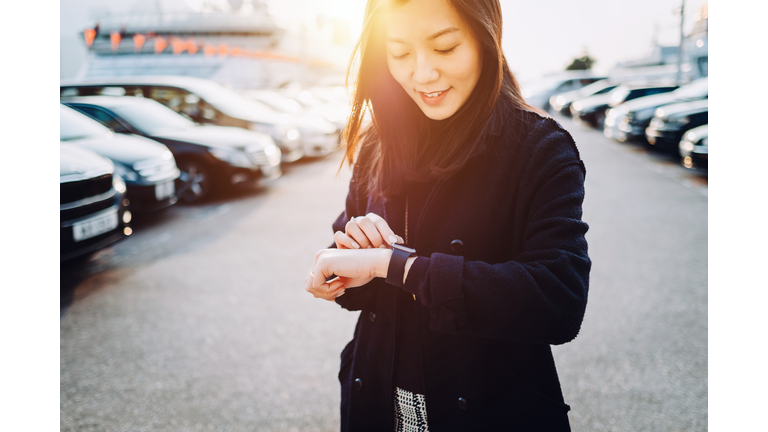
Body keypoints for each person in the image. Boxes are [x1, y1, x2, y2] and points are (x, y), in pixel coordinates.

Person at [304, 0, 591, 430]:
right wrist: (344, 265)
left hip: (489, 410)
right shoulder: (376, 144)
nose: (422, 73)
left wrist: (397, 265)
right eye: (399, 53)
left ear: (485, 37)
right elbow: (353, 264)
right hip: (381, 402)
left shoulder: (539, 148)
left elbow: (559, 300)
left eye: (444, 47)